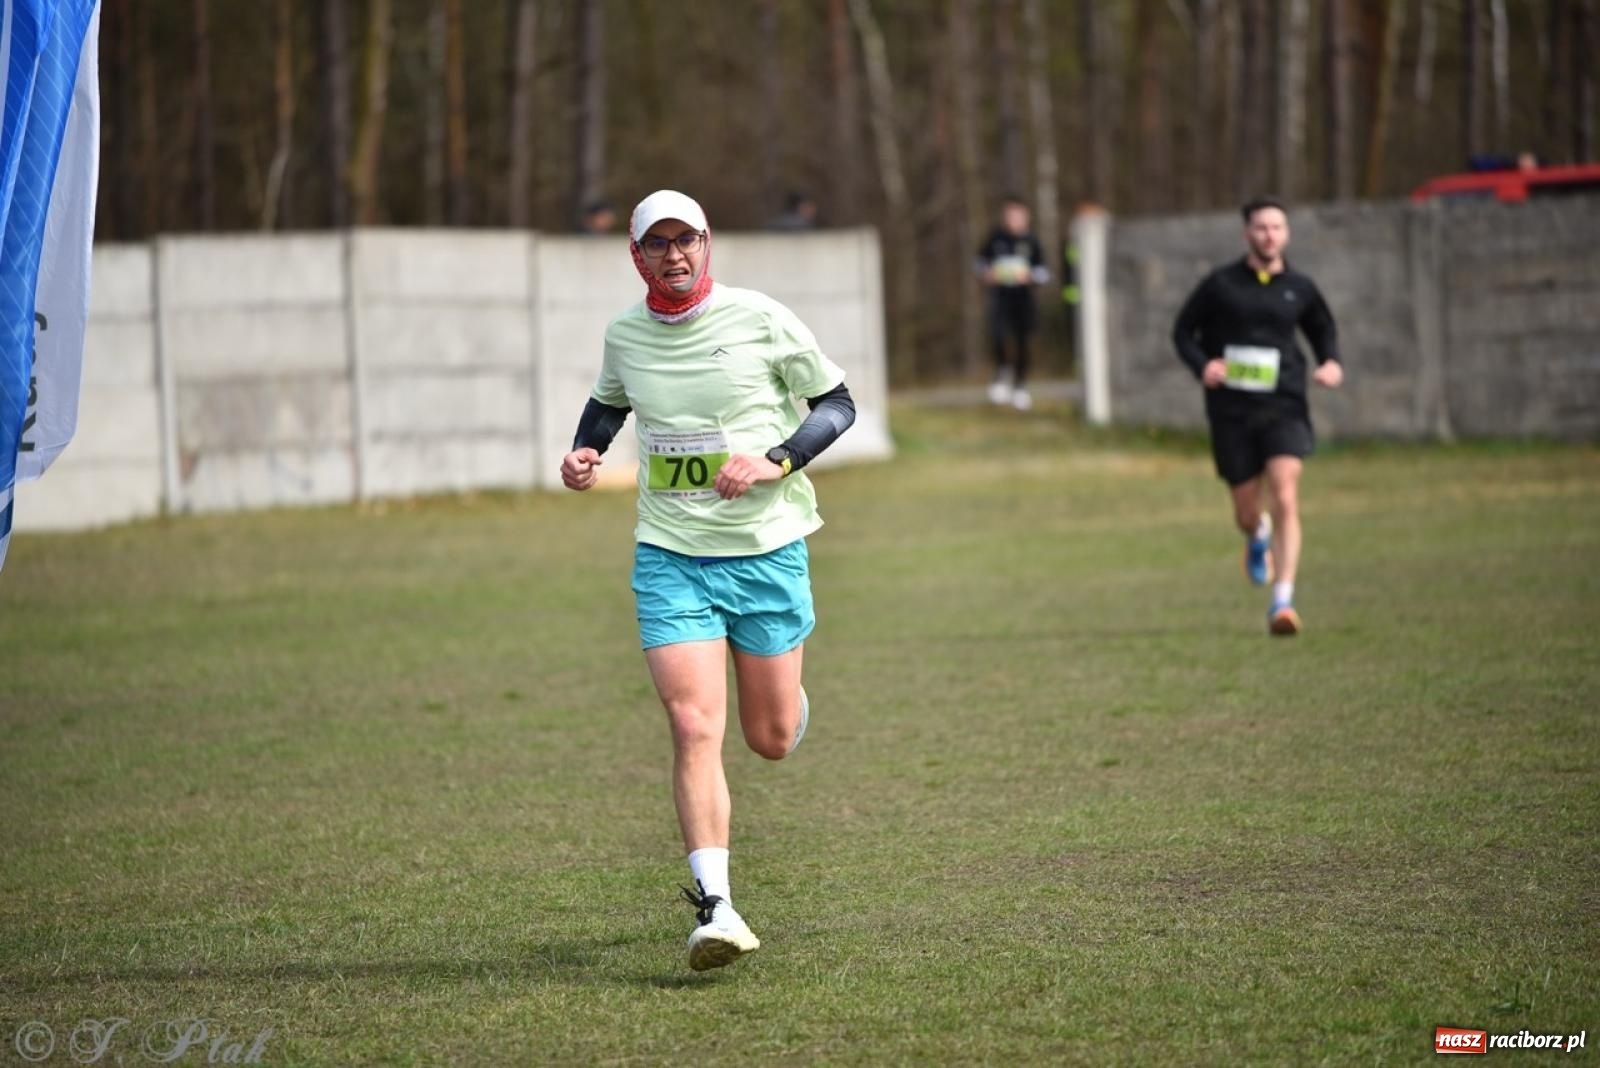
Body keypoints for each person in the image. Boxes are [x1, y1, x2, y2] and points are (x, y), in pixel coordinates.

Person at [560, 190, 856, 970]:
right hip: (670, 554)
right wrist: (584, 451)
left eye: (685, 240)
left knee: (769, 740)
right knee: (694, 726)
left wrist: (775, 460)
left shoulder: (761, 317)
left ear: (707, 243)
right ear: (636, 256)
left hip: (765, 550)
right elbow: (607, 405)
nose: (674, 256)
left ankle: (787, 704)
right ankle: (716, 908)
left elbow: (837, 403)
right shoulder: (625, 335)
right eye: (657, 245)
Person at [1171, 197, 1343, 636]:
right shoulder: (1221, 285)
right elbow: (1182, 331)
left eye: (1277, 227)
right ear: (1247, 233)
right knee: (1247, 510)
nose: (1270, 235)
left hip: (1283, 403)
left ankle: (1282, 601)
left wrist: (1330, 362)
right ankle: (1256, 534)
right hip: (1231, 409)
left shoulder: (1300, 288)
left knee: (1286, 493)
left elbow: (1323, 329)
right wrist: (1203, 365)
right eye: (1261, 228)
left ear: (1287, 234)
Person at [977, 195, 1049, 410]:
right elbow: (980, 263)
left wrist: (1030, 277)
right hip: (1000, 297)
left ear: (1026, 217)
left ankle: (1020, 386)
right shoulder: (995, 238)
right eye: (1009, 215)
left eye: (1017, 215)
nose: (1012, 220)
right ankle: (1001, 372)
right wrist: (986, 273)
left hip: (1023, 299)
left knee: (1023, 341)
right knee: (998, 336)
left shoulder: (1032, 242)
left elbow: (1044, 272)